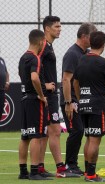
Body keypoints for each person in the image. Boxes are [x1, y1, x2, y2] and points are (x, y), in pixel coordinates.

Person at [38, 15, 79, 178]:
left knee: (48, 132)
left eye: (60, 26)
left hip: (50, 95)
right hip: (48, 95)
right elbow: (32, 65)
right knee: (55, 131)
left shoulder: (48, 46)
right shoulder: (42, 46)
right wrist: (43, 86)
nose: (60, 29)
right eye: (56, 26)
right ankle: (61, 168)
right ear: (47, 28)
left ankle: (39, 167)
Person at [73, 31, 105, 182]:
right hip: (97, 104)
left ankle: (87, 171)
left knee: (88, 138)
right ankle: (91, 174)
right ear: (103, 45)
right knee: (95, 140)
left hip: (84, 104)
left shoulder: (81, 59)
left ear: (91, 42)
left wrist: (80, 98)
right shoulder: (104, 63)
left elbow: (75, 82)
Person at [60, 23, 97, 175]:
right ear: (84, 37)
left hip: (81, 100)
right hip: (71, 101)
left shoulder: (86, 52)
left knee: (81, 131)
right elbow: (66, 80)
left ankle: (75, 165)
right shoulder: (72, 54)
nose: (94, 40)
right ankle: (70, 166)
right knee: (76, 130)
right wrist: (68, 103)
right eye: (92, 37)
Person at [18, 29, 51, 180]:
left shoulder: (22, 57)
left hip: (24, 98)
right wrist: (42, 96)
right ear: (40, 42)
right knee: (37, 136)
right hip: (34, 100)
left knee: (25, 136)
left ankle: (23, 171)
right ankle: (35, 171)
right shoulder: (35, 58)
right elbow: (34, 78)